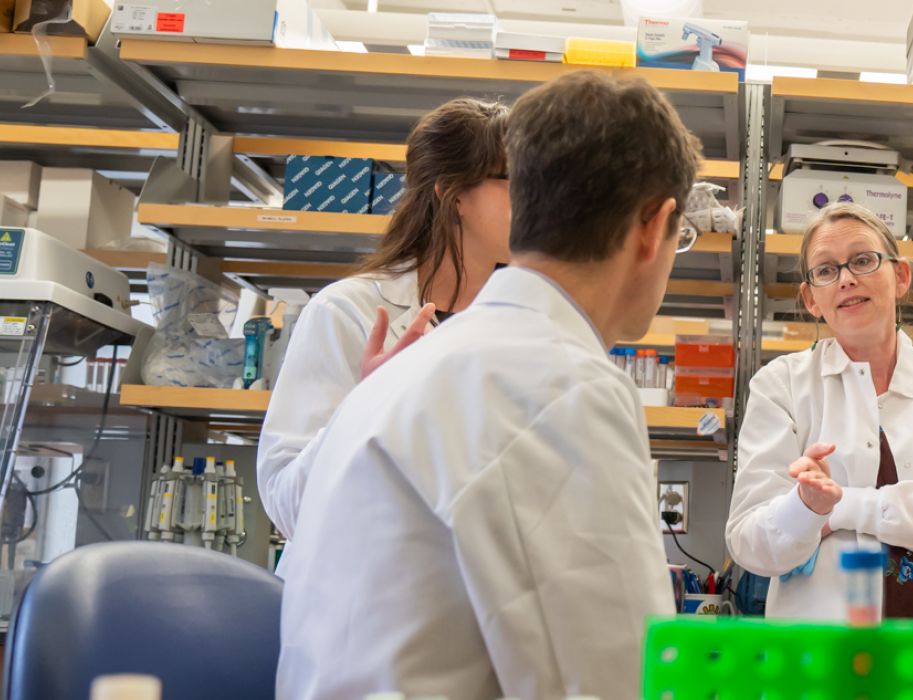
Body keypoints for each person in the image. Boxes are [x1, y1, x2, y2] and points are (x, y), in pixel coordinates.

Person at [275, 71, 701, 700]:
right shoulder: (563, 383)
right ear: (651, 227)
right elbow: (614, 680)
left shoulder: (421, 366)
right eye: (680, 238)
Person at [726, 203, 913, 621]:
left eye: (863, 260)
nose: (846, 278)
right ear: (811, 298)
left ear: (900, 276)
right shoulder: (781, 386)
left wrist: (841, 508)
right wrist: (806, 507)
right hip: (825, 666)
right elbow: (749, 543)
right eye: (826, 270)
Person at [259, 97, 511, 539]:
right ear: (454, 195)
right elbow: (288, 505)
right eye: (515, 181)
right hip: (363, 593)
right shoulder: (345, 312)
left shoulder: (518, 326)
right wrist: (369, 405)